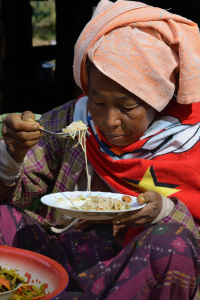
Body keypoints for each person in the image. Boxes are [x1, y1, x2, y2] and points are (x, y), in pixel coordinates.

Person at [1, 0, 200, 299]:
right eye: (97, 100)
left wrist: (164, 212)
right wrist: (12, 155)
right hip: (64, 249)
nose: (109, 121)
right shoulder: (72, 120)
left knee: (172, 245)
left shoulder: (187, 141)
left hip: (138, 264)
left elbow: (191, 237)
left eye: (126, 106)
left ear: (157, 101)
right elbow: (17, 194)